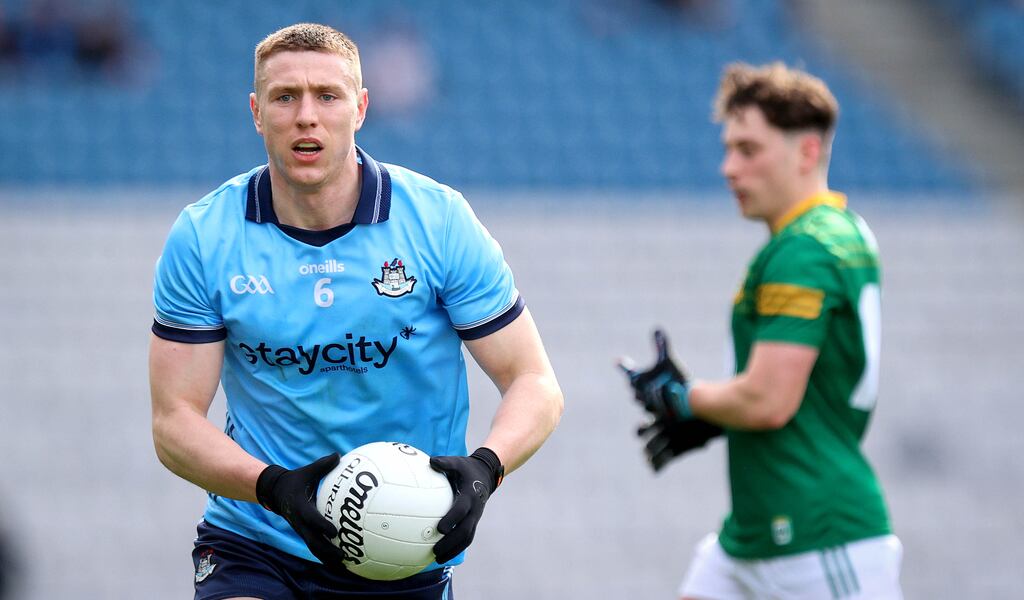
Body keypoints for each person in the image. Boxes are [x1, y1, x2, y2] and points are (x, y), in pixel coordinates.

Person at [149, 23, 562, 599]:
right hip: (257, 538)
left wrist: (485, 469)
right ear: (256, 111)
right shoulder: (204, 236)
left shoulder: (438, 222)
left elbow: (534, 381)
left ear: (361, 107)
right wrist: (272, 487)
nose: (306, 116)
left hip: (401, 550)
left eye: (328, 95)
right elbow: (173, 423)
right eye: (285, 97)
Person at [620, 62, 902, 599]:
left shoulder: (804, 248)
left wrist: (683, 398)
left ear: (807, 152)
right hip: (757, 532)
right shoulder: (831, 233)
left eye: (748, 150)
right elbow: (801, 389)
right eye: (728, 148)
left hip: (819, 539)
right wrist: (713, 414)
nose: (729, 168)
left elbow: (770, 399)